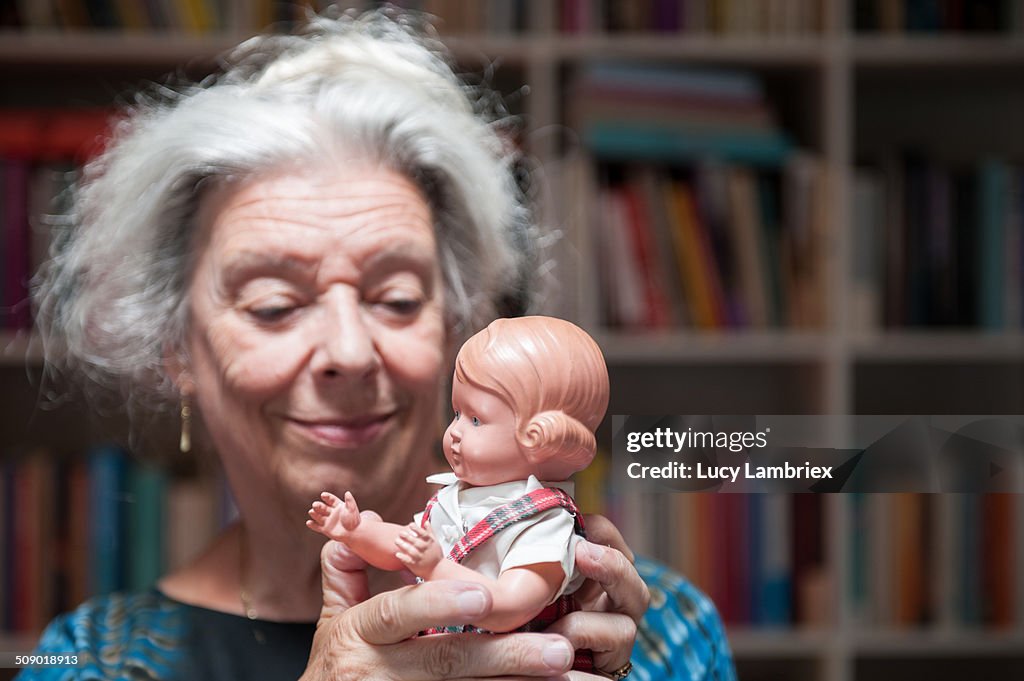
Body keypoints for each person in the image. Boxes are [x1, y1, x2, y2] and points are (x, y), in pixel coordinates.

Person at [22, 7, 736, 681]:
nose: (350, 350)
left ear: (459, 324)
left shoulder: (657, 630)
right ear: (177, 348)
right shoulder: (91, 659)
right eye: (274, 305)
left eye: (396, 298)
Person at [307, 316, 608, 640]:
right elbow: (404, 547)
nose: (454, 432)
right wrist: (358, 532)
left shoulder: (544, 524)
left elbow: (510, 606)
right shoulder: (458, 499)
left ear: (539, 437)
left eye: (476, 420)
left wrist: (436, 568)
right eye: (455, 414)